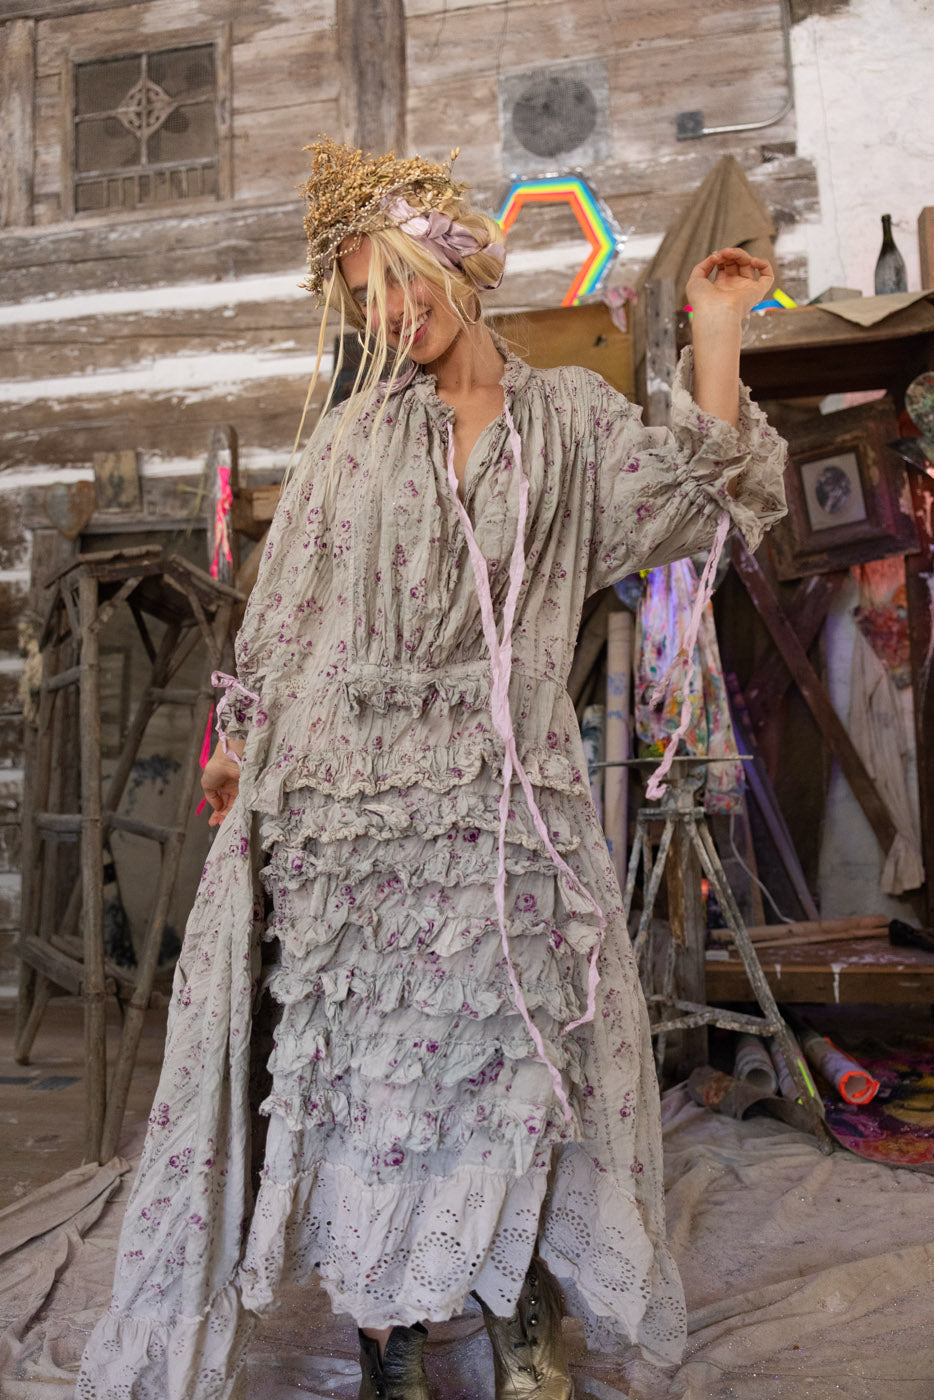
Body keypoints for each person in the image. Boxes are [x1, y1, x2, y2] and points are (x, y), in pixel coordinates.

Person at [78, 138, 787, 1400]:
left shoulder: (566, 422)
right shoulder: (350, 445)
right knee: (372, 1079)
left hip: (508, 811)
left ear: (458, 266)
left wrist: (715, 328)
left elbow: (695, 494)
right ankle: (387, 1334)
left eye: (401, 283)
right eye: (365, 298)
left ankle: (516, 1308)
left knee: (521, 1062)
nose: (389, 316)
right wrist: (238, 749)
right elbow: (283, 617)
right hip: (358, 821)